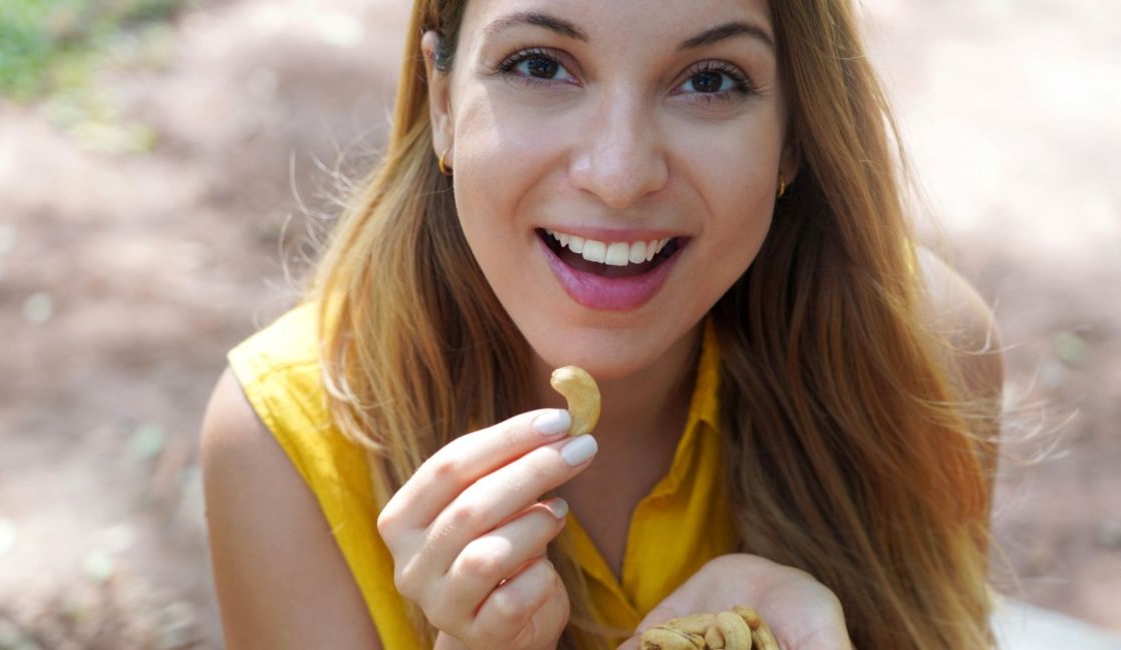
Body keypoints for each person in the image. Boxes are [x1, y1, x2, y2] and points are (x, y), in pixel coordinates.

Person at [200, 0, 1003, 648]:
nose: (619, 176)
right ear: (443, 104)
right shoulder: (282, 440)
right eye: (540, 65)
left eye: (712, 80)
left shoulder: (922, 353)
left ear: (794, 134)